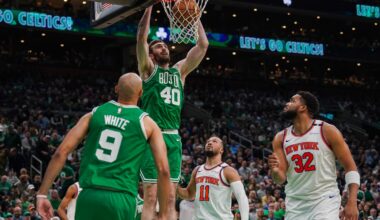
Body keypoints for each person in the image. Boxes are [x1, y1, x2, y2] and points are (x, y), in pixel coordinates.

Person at [36, 73, 171, 220]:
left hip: (89, 195)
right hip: (122, 197)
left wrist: (42, 194)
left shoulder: (94, 114)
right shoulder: (148, 123)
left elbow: (61, 153)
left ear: (116, 89)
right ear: (141, 93)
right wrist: (164, 214)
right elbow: (163, 170)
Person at [136, 5, 209, 220]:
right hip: (151, 136)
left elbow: (203, 44)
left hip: (173, 137)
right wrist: (149, 5)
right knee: (150, 196)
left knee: (169, 198)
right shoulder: (148, 69)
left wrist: (195, 16)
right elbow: (141, 36)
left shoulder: (180, 71)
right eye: (158, 47)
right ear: (150, 54)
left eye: (165, 46)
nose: (163, 48)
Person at [268, 91, 359, 220]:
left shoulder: (327, 130)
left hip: (325, 200)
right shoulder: (280, 138)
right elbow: (280, 179)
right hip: (295, 204)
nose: (287, 103)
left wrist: (352, 202)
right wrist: (275, 171)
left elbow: (351, 167)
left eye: (293, 101)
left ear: (303, 107)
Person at [177, 136, 249, 220]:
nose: (210, 143)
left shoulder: (228, 171)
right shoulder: (197, 170)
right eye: (208, 141)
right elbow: (189, 195)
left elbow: (242, 198)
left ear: (221, 150)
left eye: (214, 141)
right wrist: (173, 185)